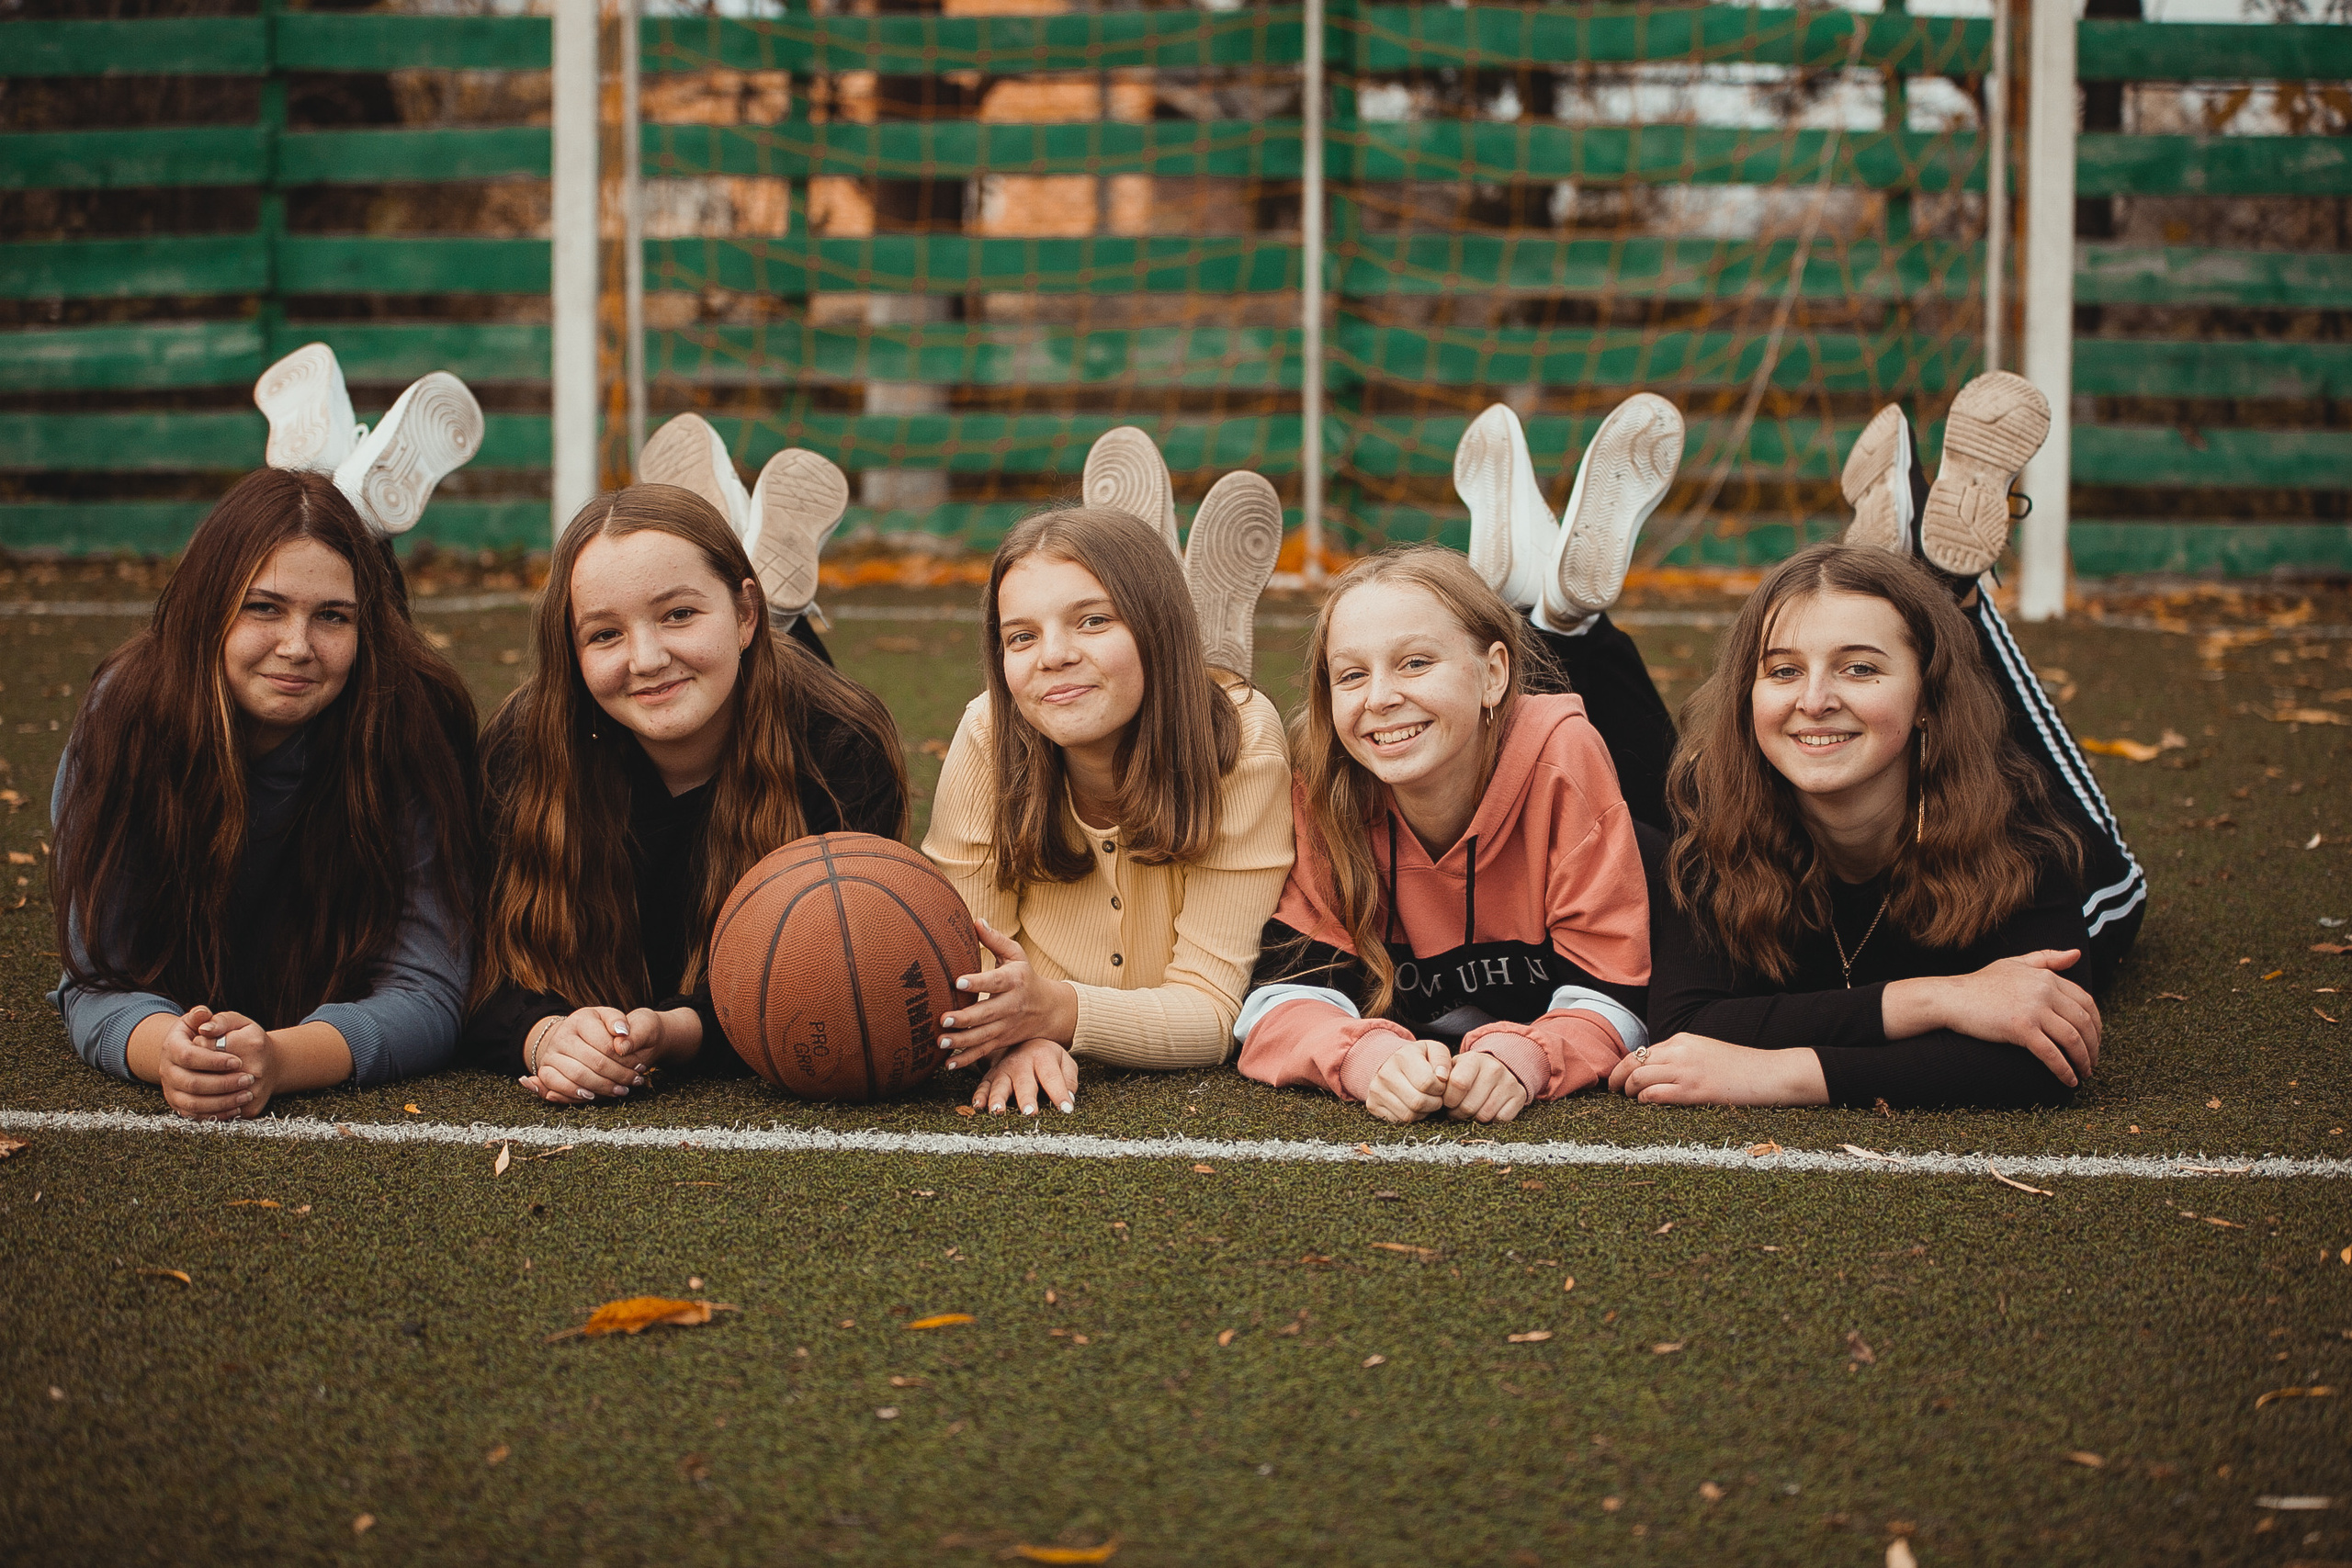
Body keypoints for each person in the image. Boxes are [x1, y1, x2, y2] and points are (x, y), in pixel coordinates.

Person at [1617, 372, 2146, 1109]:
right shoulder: (1714, 809)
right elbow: (1686, 1021)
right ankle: (1917, 579)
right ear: (1748, 696)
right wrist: (1943, 999)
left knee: (2121, 899)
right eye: (1783, 670)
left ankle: (1957, 595)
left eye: (1858, 668)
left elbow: (2042, 1059)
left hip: (2053, 849)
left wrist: (1781, 1073)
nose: (1814, 701)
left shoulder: (2016, 821)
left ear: (1925, 700)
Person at [48, 468, 478, 1118]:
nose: (297, 646)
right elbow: (96, 977)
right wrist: (171, 1050)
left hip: (315, 1011)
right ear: (208, 607)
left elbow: (429, 990)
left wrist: (279, 1059)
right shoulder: (124, 720)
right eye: (264, 606)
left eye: (332, 615)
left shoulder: (407, 719)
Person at [465, 483, 906, 1103]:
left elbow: (843, 982)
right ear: (570, 648)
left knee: (775, 683)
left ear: (745, 612)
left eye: (678, 614)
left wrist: (677, 1030)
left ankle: (790, 616)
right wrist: (545, 1035)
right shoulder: (523, 748)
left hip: (780, 699)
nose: (645, 658)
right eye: (604, 634)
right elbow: (469, 968)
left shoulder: (839, 748)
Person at [922, 459, 1293, 1118]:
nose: (1053, 654)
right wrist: (1014, 1033)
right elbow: (971, 975)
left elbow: (1211, 1010)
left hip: (1192, 720)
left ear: (1156, 628)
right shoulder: (989, 732)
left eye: (1093, 620)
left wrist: (1054, 1012)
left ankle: (1199, 636)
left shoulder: (1242, 741)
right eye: (1021, 636)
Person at [1233, 546, 1652, 1124]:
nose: (1379, 698)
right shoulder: (1325, 779)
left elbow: (1616, 996)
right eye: (1352, 675)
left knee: (1672, 811)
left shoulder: (1562, 756)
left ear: (1493, 673)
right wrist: (1365, 1056)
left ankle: (1569, 617)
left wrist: (1528, 1057)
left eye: (1415, 663)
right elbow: (1278, 1000)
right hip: (1407, 1045)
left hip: (1653, 850)